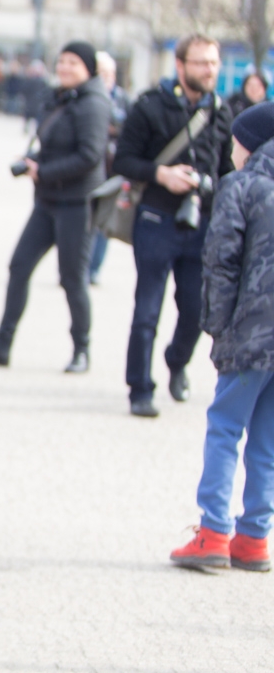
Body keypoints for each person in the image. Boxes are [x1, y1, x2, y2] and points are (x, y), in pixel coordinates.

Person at [168, 103, 274, 574]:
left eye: (235, 140)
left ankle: (212, 530)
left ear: (250, 145)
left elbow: (220, 262)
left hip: (250, 331)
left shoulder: (242, 186)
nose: (231, 148)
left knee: (226, 427)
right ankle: (254, 536)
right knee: (268, 437)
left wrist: (216, 327)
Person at [0, 43, 111, 373]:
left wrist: (42, 172)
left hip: (76, 204)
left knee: (72, 278)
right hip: (48, 201)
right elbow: (52, 143)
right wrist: (33, 161)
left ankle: (81, 349)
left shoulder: (93, 104)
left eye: (73, 63)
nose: (65, 67)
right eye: (61, 61)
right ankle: (2, 343)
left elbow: (90, 156)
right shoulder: (60, 97)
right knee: (19, 266)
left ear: (88, 68)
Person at [112, 34, 235, 418]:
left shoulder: (221, 111)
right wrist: (161, 174)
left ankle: (176, 360)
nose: (209, 70)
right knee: (147, 307)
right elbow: (123, 160)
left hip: (202, 223)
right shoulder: (151, 105)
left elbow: (229, 169)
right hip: (156, 217)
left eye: (213, 63)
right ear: (180, 66)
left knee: (197, 308)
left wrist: (211, 185)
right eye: (201, 63)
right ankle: (140, 388)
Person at [87, 50, 131, 286]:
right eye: (100, 73)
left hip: (113, 170)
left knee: (105, 221)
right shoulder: (86, 98)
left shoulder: (124, 101)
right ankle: (80, 267)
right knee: (85, 220)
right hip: (90, 168)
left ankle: (94, 269)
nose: (105, 78)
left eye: (109, 73)